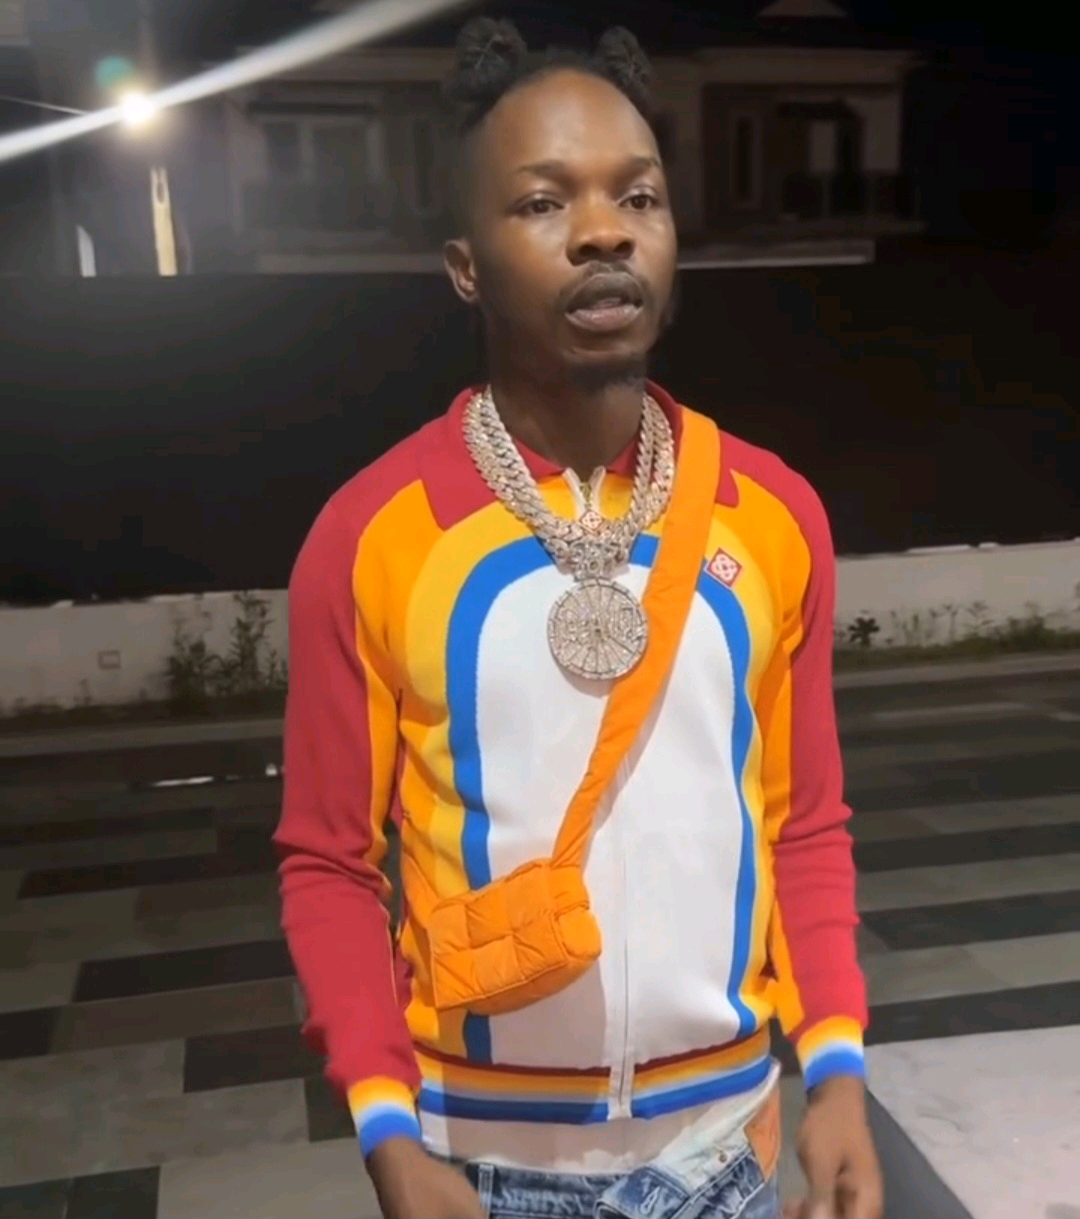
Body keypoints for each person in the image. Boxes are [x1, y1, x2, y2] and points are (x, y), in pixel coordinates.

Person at [275, 16, 883, 1219]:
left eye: (637, 197)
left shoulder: (774, 515)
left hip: (728, 1147)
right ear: (466, 267)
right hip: (480, 1160)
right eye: (545, 203)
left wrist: (840, 1074)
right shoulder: (372, 535)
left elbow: (803, 823)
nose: (604, 230)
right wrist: (389, 1135)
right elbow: (328, 862)